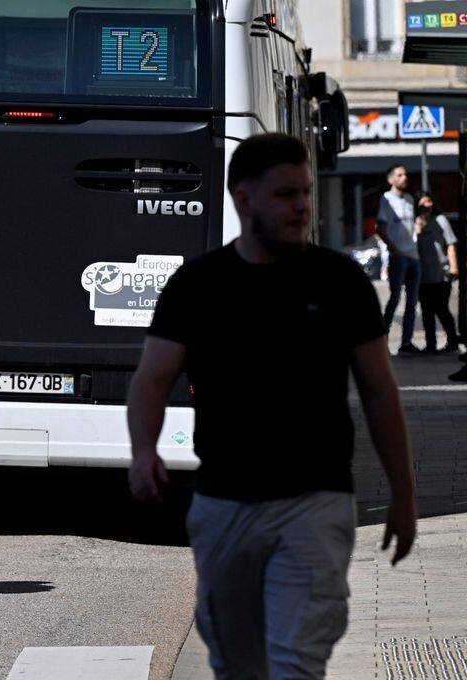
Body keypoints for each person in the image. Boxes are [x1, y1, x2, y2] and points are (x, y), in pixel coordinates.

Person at [127, 134, 417, 679]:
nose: (303, 206)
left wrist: (403, 493)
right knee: (238, 666)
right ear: (243, 199)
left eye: (305, 192)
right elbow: (150, 380)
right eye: (286, 194)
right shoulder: (199, 284)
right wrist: (144, 451)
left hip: (316, 502)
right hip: (224, 505)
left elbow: (380, 391)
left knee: (296, 663)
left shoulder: (340, 282)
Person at [378, 165, 422, 353]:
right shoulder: (386, 199)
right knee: (395, 299)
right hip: (398, 257)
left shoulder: (410, 199)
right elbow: (380, 228)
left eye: (405, 174)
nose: (405, 177)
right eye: (400, 175)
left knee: (412, 302)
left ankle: (406, 343)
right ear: (391, 180)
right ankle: (382, 342)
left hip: (413, 256)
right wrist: (393, 250)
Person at [414, 212, 460, 353]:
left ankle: (452, 342)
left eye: (429, 202)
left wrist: (453, 267)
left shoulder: (440, 220)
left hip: (441, 274)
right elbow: (410, 246)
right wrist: (418, 231)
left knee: (442, 309)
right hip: (422, 275)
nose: (427, 206)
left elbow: (451, 244)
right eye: (423, 203)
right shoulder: (415, 221)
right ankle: (431, 345)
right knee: (427, 312)